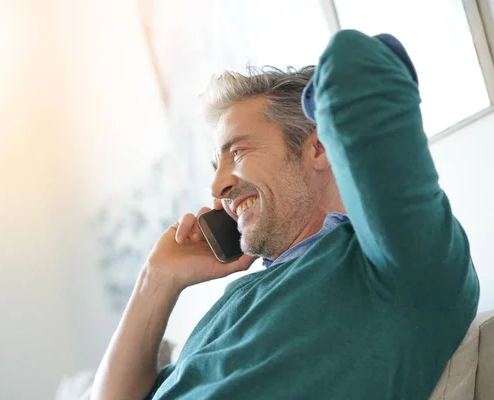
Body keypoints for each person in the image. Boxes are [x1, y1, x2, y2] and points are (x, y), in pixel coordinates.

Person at [91, 30, 479, 399]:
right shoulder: (236, 300)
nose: (216, 189)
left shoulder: (396, 263)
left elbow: (353, 64)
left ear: (319, 148)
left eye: (238, 152)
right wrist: (156, 280)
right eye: (215, 166)